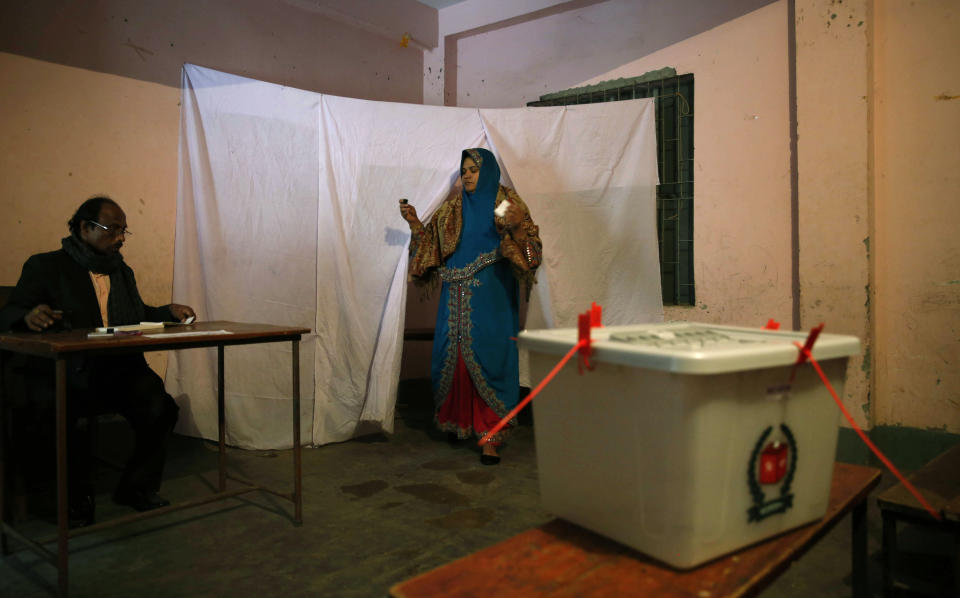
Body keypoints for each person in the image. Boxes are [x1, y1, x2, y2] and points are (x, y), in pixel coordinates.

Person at [0, 196, 195, 525]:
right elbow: (10, 312)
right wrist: (29, 316)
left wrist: (167, 313)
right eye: (112, 230)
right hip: (68, 372)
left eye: (124, 231)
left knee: (160, 407)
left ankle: (136, 487)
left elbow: (135, 317)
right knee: (67, 417)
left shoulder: (121, 272)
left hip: (118, 368)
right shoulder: (46, 266)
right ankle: (76, 497)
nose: (120, 238)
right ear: (85, 228)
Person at [400, 148, 542, 465]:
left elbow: (532, 255)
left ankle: (491, 435)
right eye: (463, 170)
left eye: (473, 169)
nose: (466, 175)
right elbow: (430, 247)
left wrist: (518, 229)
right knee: (454, 357)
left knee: (491, 355)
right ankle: (460, 422)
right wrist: (414, 225)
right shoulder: (453, 209)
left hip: (493, 298)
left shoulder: (504, 203)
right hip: (454, 297)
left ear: (487, 171)